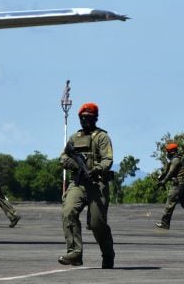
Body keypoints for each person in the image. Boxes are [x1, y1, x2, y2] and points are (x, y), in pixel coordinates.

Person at [58, 102, 115, 269]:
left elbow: (108, 160)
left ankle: (108, 254)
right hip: (78, 183)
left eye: (89, 118)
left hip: (97, 183)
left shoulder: (102, 137)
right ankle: (75, 253)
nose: (86, 121)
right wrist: (75, 164)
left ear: (95, 118)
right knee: (68, 212)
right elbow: (63, 157)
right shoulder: (75, 138)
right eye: (83, 118)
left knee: (97, 223)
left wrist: (96, 169)